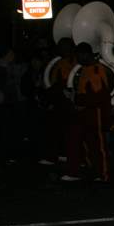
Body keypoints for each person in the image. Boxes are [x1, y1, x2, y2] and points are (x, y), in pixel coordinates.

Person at [61, 42, 114, 182]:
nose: (77, 59)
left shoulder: (95, 70)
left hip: (92, 113)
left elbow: (96, 96)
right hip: (83, 112)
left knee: (98, 145)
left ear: (85, 54)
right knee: (73, 141)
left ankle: (104, 175)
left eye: (78, 56)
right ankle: (76, 172)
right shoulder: (89, 68)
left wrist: (76, 98)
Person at [38, 37, 76, 165]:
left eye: (60, 46)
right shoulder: (73, 61)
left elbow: (62, 83)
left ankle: (52, 157)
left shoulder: (66, 63)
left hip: (63, 100)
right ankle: (65, 154)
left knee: (55, 130)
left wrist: (44, 96)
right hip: (70, 100)